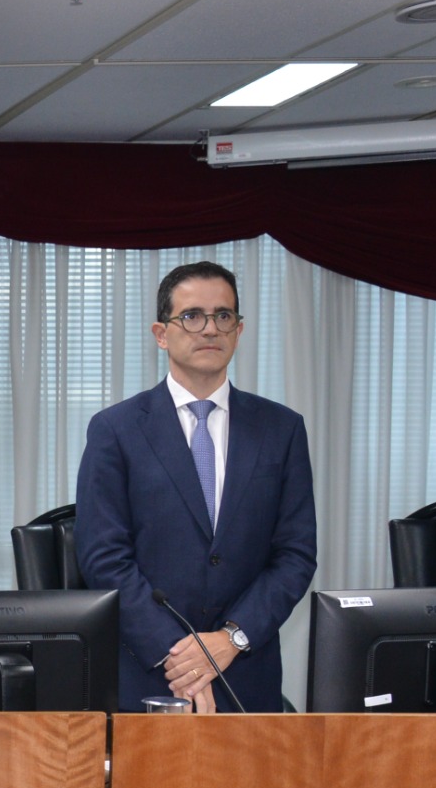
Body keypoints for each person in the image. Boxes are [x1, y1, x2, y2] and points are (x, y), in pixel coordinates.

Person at [75, 261, 315, 712]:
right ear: (161, 334)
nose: (210, 329)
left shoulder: (281, 429)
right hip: (148, 673)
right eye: (192, 316)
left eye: (223, 316)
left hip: (246, 673)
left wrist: (230, 640)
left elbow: (295, 554)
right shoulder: (116, 429)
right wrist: (180, 658)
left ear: (239, 330)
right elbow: (102, 556)